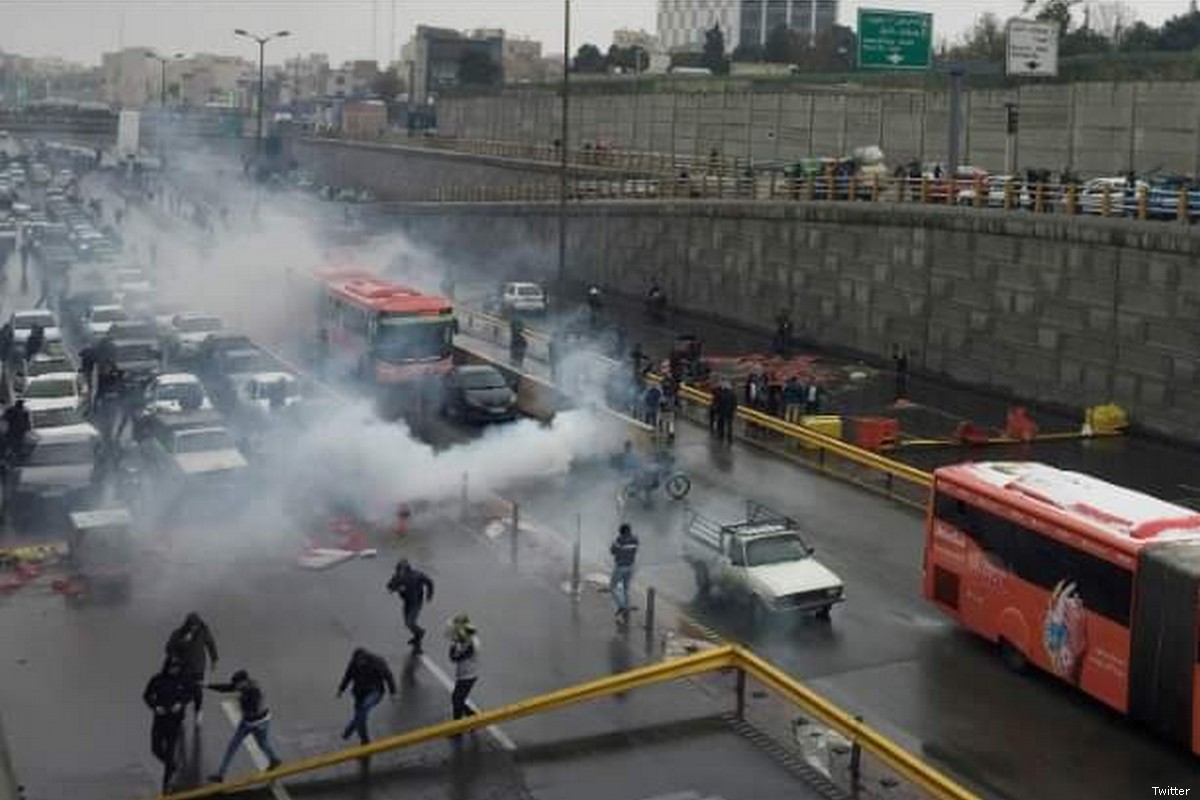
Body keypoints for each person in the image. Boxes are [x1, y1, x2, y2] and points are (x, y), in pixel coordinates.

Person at [207, 670, 282, 782]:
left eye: (238, 684)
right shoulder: (245, 685)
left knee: (256, 744)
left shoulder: (254, 691)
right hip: (256, 721)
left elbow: (252, 708)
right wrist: (207, 685)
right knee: (236, 746)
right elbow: (227, 688)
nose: (236, 686)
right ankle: (220, 774)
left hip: (257, 722)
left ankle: (274, 760)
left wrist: (240, 699)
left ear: (244, 681)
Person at [143, 659, 192, 792]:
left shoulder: (183, 680)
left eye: (177, 668)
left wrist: (181, 704)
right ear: (167, 667)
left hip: (175, 722)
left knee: (170, 752)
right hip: (159, 720)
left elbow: (190, 694)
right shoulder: (157, 680)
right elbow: (147, 695)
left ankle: (166, 786)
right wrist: (155, 707)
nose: (175, 670)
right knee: (155, 749)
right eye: (172, 668)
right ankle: (172, 766)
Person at [165, 612, 219, 725]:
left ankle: (198, 712)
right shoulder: (178, 633)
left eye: (196, 626)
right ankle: (181, 715)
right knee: (182, 691)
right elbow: (169, 648)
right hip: (183, 668)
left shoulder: (204, 631)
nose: (194, 628)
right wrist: (183, 642)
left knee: (197, 690)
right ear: (187, 625)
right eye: (192, 626)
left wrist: (214, 659)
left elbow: (210, 644)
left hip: (198, 668)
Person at [337, 647, 396, 745]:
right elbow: (347, 676)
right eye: (357, 662)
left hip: (375, 691)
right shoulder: (353, 664)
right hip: (359, 692)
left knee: (364, 708)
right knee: (361, 718)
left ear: (365, 659)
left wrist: (393, 692)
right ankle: (364, 740)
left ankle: (349, 730)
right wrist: (341, 689)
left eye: (360, 662)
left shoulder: (378, 662)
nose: (359, 665)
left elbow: (388, 676)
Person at [386, 558, 435, 654]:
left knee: (410, 622)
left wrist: (429, 595)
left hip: (416, 603)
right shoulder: (397, 577)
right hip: (407, 602)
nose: (400, 573)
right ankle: (417, 636)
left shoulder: (416, 575)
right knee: (407, 624)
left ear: (407, 569)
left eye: (401, 570)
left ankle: (419, 637)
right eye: (398, 570)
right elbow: (389, 585)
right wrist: (395, 588)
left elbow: (429, 582)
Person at [447, 614, 480, 720]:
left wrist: (453, 645)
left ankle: (457, 728)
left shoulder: (472, 643)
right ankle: (472, 716)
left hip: (468, 676)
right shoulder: (467, 639)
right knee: (457, 699)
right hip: (465, 674)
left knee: (457, 700)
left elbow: (455, 658)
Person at [609, 524, 639, 625]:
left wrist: (614, 543)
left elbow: (612, 551)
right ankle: (626, 608)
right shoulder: (635, 539)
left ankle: (622, 606)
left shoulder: (619, 540)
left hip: (620, 567)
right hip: (631, 567)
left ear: (621, 532)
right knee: (626, 589)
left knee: (612, 587)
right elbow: (634, 550)